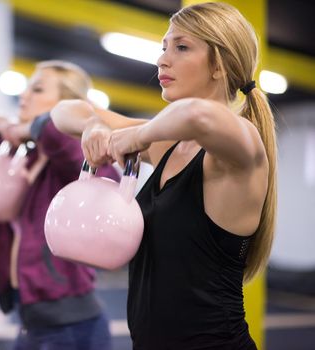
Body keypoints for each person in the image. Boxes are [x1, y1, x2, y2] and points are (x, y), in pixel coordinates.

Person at [51, 2, 277, 349]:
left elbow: (200, 116)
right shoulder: (168, 144)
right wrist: (94, 125)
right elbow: (64, 111)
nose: (162, 59)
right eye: (163, 47)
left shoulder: (243, 146)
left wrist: (139, 135)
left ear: (219, 64)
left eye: (181, 47)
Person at [0, 60, 117, 350]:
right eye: (26, 89)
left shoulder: (78, 154)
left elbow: (53, 131)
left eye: (37, 89)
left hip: (70, 329)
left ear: (67, 105)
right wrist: (8, 126)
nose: (24, 96)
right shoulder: (30, 152)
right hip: (31, 324)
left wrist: (36, 125)